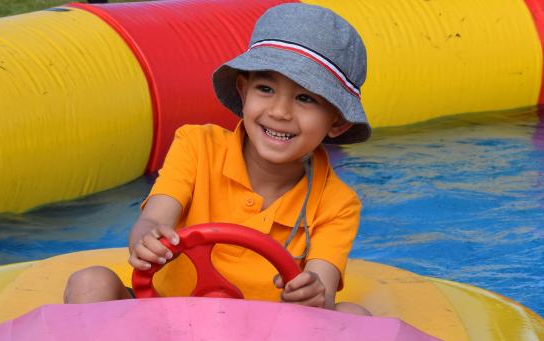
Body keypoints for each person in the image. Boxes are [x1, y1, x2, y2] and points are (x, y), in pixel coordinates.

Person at [65, 3, 370, 315]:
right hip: (161, 321)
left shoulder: (337, 204)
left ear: (337, 122)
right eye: (265, 88)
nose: (279, 112)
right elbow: (155, 219)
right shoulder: (196, 145)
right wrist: (148, 239)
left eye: (305, 98)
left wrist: (312, 291)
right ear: (243, 90)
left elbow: (322, 290)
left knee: (355, 318)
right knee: (90, 282)